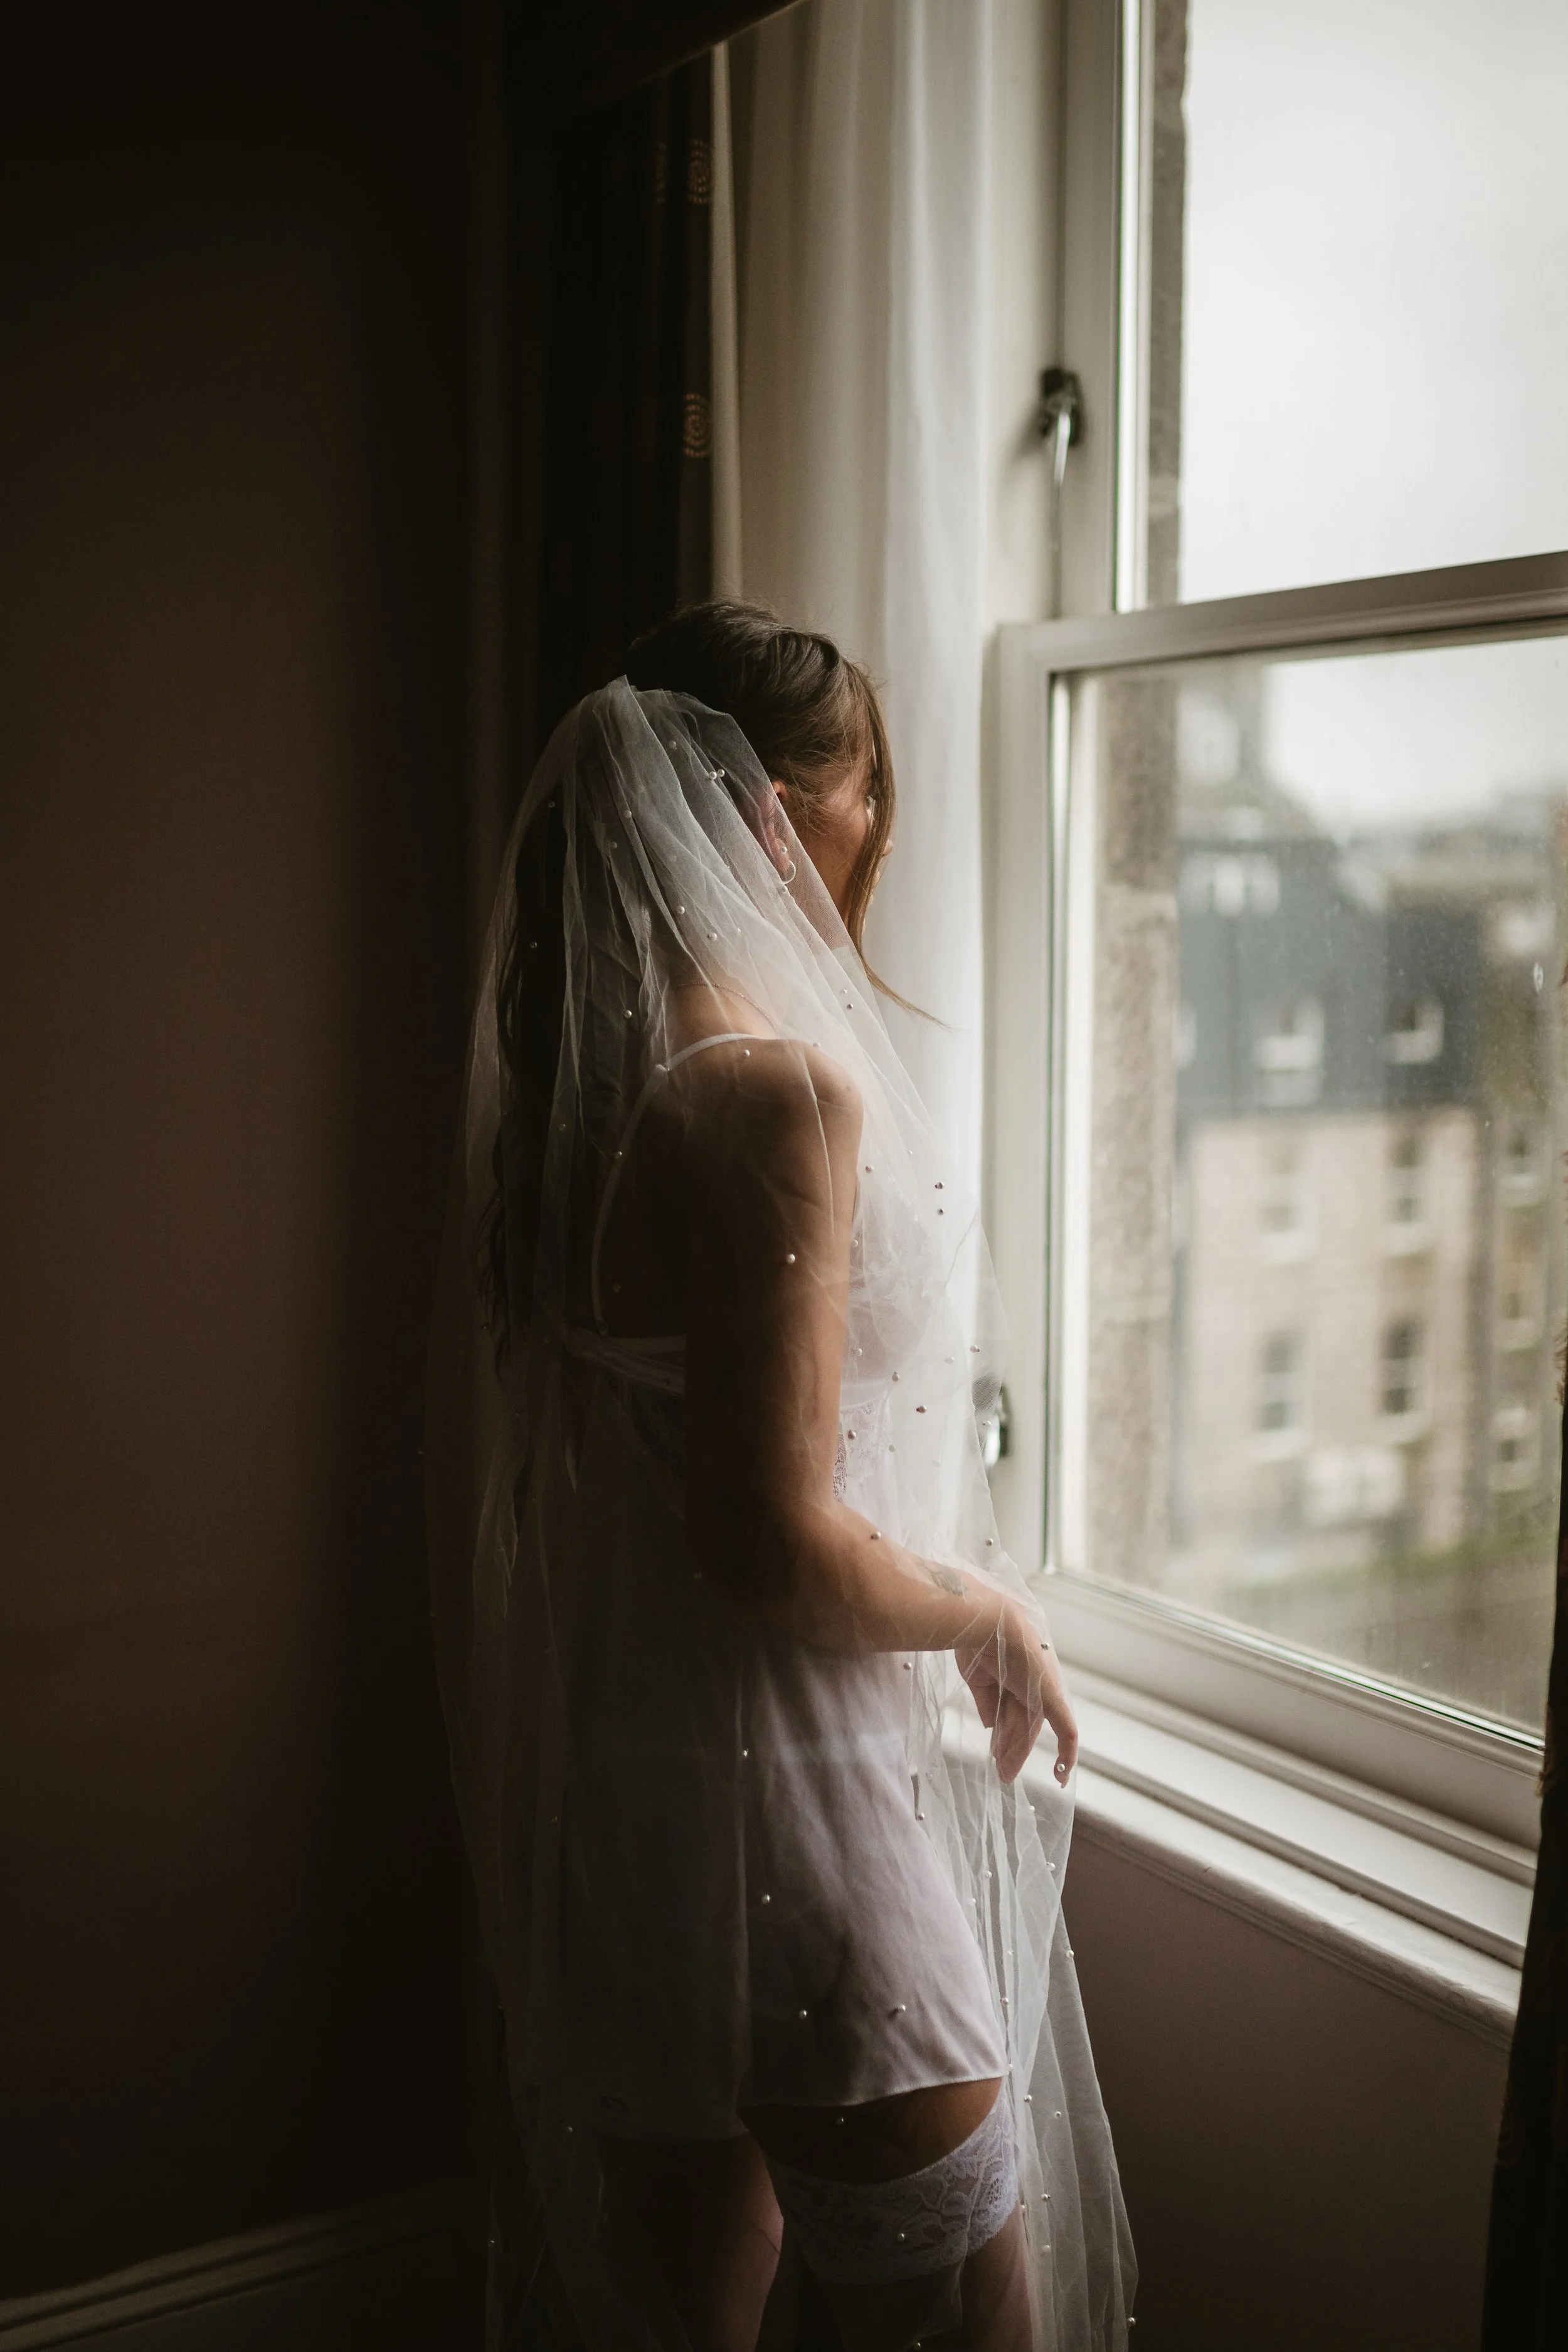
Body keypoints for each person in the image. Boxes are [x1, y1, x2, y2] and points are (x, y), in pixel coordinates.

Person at [426, 603, 1135, 2351]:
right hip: (797, 1824)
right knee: (973, 2323)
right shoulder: (765, 1094)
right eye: (857, 793)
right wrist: (985, 1599)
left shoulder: (574, 1098)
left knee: (686, 2323)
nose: (874, 833)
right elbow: (763, 1534)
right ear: (755, 812)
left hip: (630, 1808)